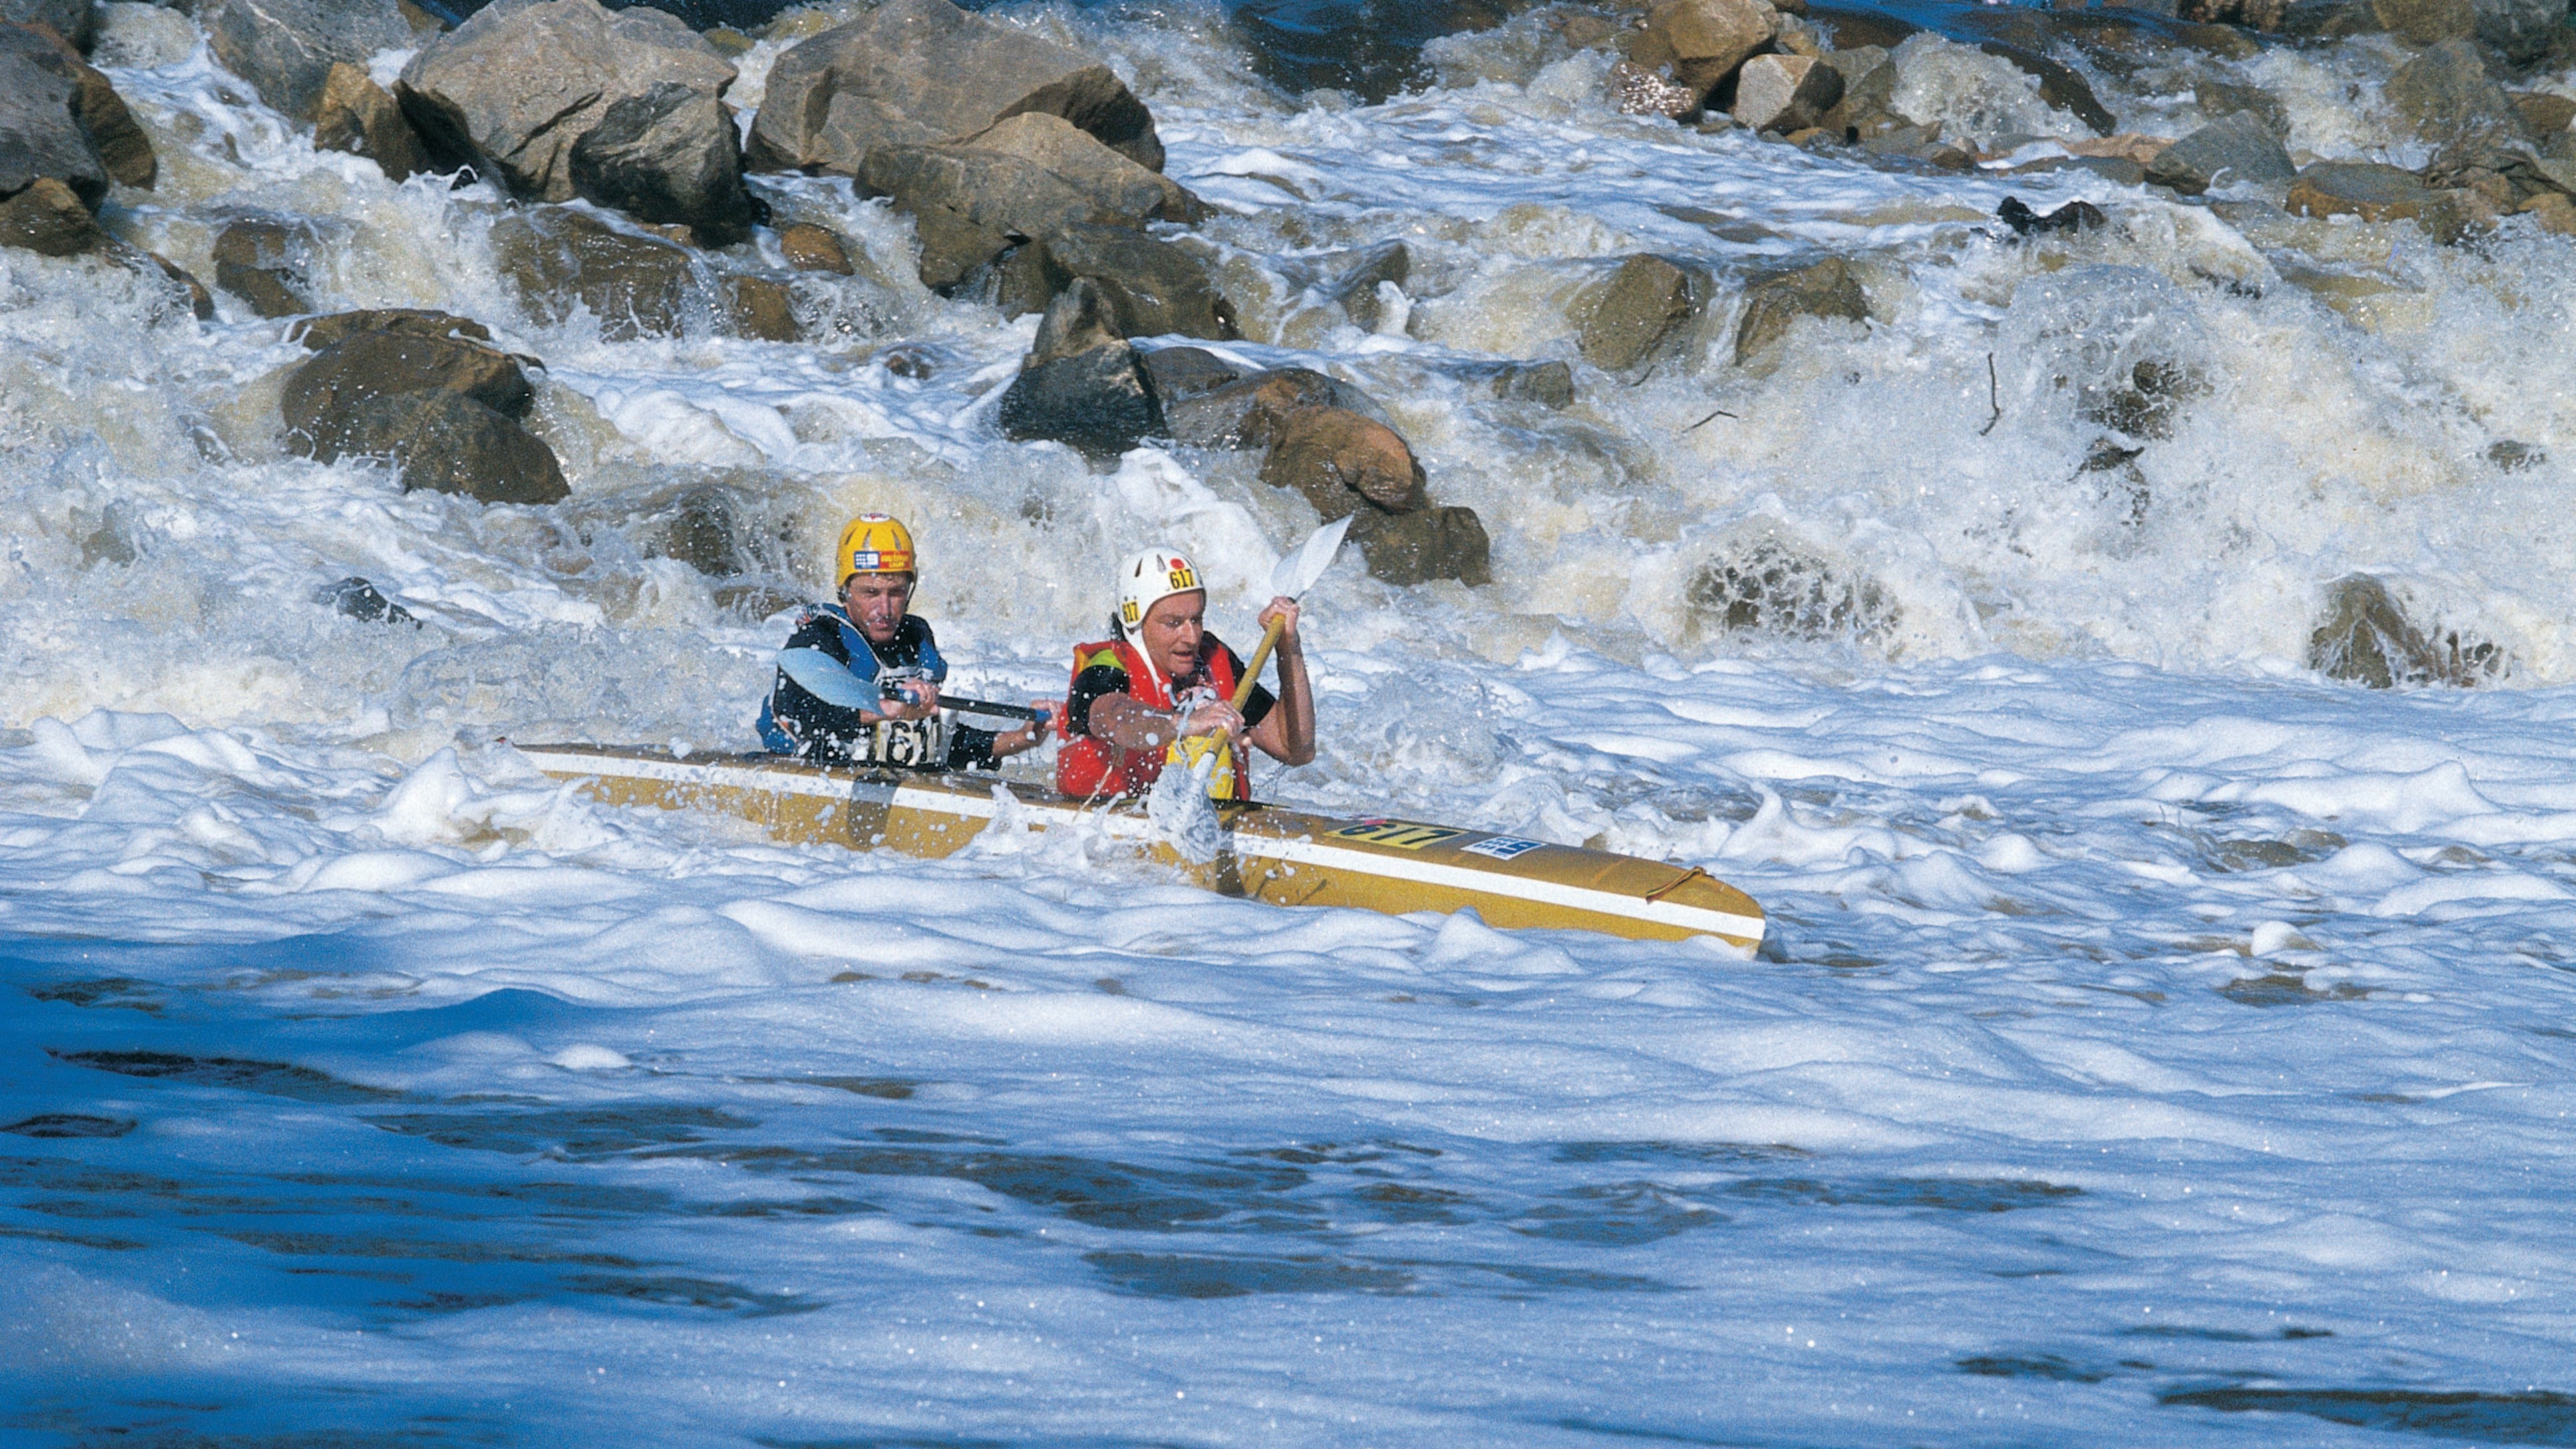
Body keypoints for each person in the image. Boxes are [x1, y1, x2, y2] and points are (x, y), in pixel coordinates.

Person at [759, 513, 1056, 770]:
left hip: (876, 776)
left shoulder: (914, 640)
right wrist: (889, 709)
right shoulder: (818, 637)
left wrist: (1022, 738)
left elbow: (939, 745)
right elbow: (805, 716)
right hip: (797, 771)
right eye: (870, 593)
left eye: (896, 592)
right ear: (845, 590)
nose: (885, 610)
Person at [1056, 546, 1315, 802]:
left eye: (1197, 619)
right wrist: (1184, 723)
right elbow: (1112, 718)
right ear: (1135, 622)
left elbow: (1296, 750)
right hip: (1102, 828)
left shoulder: (1214, 660)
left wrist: (1288, 648)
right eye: (1173, 623)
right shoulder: (1107, 664)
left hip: (1207, 824)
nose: (1191, 637)